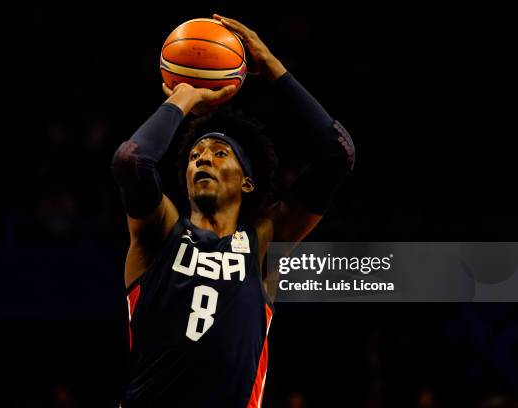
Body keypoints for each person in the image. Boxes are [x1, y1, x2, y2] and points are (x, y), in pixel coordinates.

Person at [112, 14, 355, 408]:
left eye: (219, 153)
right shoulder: (161, 234)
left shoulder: (264, 240)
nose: (202, 159)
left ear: (246, 182)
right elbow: (130, 162)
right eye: (195, 155)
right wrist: (185, 96)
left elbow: (338, 154)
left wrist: (272, 66)